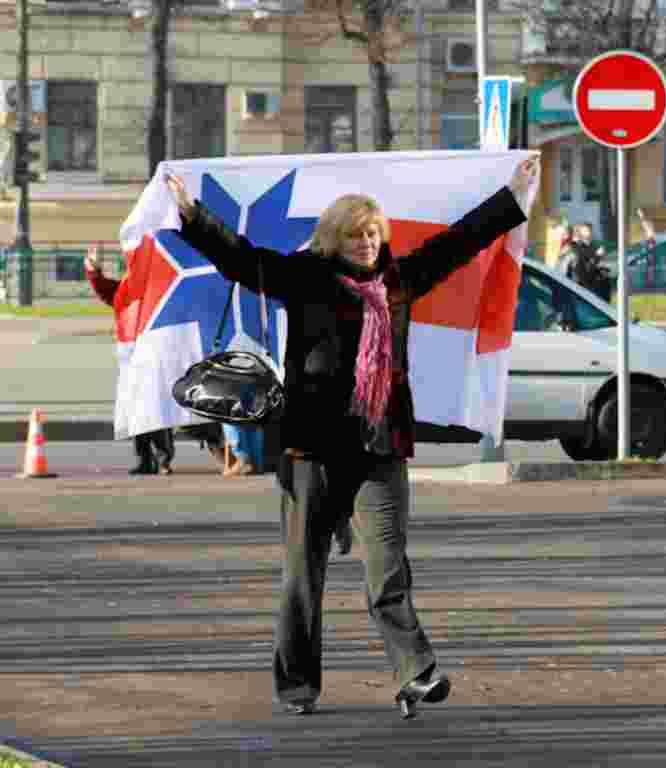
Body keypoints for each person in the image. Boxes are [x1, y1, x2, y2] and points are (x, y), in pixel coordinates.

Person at [165, 155, 539, 718]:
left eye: (372, 233)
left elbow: (463, 241)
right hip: (311, 447)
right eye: (355, 235)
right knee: (302, 575)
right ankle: (297, 686)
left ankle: (416, 673)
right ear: (333, 239)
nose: (366, 243)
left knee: (388, 567)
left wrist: (512, 196)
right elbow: (241, 260)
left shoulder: (399, 281)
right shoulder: (305, 276)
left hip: (379, 447)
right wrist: (192, 215)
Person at [84, 247, 176, 476]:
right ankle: (145, 459)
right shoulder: (127, 290)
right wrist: (94, 272)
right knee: (136, 411)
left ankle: (163, 458)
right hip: (131, 358)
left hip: (155, 356)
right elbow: (106, 291)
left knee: (156, 409)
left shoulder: (159, 288)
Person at [565, 222, 612, 301]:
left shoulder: (589, 247)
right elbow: (585, 272)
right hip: (585, 293)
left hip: (595, 292)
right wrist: (597, 256)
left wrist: (602, 267)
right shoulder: (575, 250)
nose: (590, 233)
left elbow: (592, 265)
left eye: (590, 230)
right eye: (586, 230)